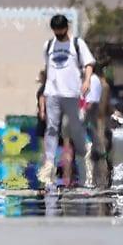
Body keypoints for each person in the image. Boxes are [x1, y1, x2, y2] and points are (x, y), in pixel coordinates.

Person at [39, 13, 95, 187]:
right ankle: (49, 165)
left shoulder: (77, 44)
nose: (58, 33)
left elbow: (89, 64)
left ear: (66, 28)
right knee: (52, 128)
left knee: (75, 128)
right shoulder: (48, 45)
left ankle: (85, 154)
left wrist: (86, 80)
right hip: (53, 93)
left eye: (60, 30)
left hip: (71, 93)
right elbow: (49, 68)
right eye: (55, 31)